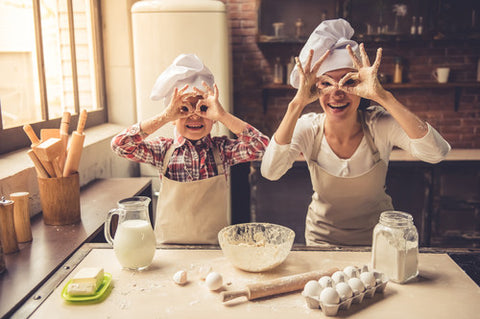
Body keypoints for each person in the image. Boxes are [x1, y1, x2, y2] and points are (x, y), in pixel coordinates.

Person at [260, 19, 450, 246]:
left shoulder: (379, 125)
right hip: (321, 243)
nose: (337, 93)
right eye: (327, 83)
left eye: (349, 82)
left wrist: (384, 97)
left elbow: (436, 153)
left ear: (362, 87)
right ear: (315, 89)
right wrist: (296, 105)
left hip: (378, 243)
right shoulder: (308, 128)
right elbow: (270, 171)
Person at [112, 54, 269, 244]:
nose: (194, 117)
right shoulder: (163, 150)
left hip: (213, 249)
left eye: (203, 109)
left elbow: (263, 147)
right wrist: (163, 117)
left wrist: (223, 115)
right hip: (169, 250)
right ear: (173, 116)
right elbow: (120, 144)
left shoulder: (223, 150)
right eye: (184, 110)